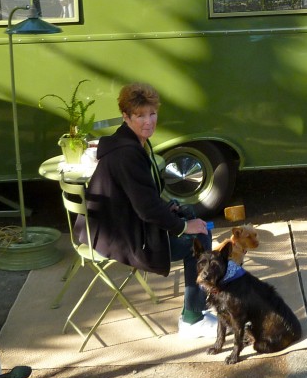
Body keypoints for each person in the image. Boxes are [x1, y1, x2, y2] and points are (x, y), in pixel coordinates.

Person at [78, 82, 216, 337]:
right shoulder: (127, 154)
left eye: (152, 114)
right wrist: (184, 227)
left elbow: (143, 197)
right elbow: (146, 209)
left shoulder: (130, 141)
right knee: (198, 239)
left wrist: (174, 211)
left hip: (114, 225)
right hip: (121, 237)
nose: (148, 121)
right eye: (140, 116)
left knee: (189, 213)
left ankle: (197, 305)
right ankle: (192, 319)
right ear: (126, 117)